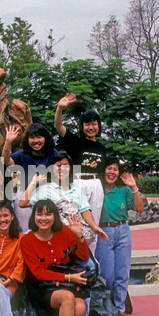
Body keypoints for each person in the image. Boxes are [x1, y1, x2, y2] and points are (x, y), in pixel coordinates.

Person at [19, 152, 108, 316]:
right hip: (56, 238)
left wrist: (94, 227)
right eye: (58, 165)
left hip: (74, 237)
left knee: (90, 268)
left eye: (65, 165)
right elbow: (22, 202)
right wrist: (34, 183)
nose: (61, 168)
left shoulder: (76, 189)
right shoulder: (44, 189)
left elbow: (85, 210)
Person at [20, 199, 90, 316]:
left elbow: (83, 255)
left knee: (80, 307)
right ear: (34, 216)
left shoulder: (64, 232)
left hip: (64, 283)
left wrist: (79, 235)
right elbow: (38, 273)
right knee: (68, 297)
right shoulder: (27, 240)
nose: (44, 218)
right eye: (40, 214)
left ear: (55, 216)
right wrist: (69, 278)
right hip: (41, 286)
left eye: (48, 214)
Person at [54, 94, 107, 253]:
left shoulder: (102, 148)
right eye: (87, 124)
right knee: (75, 219)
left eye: (94, 124)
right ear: (82, 126)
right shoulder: (76, 142)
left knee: (94, 222)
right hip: (79, 183)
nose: (91, 127)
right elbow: (59, 127)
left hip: (96, 184)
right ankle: (74, 255)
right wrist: (60, 108)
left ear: (98, 126)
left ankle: (90, 260)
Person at [95, 157, 144, 316]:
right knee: (106, 274)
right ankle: (107, 307)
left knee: (122, 273)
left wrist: (134, 187)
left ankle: (120, 308)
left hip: (123, 230)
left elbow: (139, 208)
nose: (112, 172)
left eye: (115, 169)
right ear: (104, 170)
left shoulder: (124, 191)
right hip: (104, 231)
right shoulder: (98, 190)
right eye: (109, 168)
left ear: (118, 173)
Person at [2, 123, 59, 233]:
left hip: (46, 195)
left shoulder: (53, 154)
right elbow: (5, 161)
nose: (35, 141)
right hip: (25, 195)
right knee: (25, 230)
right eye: (32, 137)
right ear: (27, 139)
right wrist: (8, 142)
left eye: (39, 137)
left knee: (47, 229)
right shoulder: (23, 154)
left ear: (45, 138)